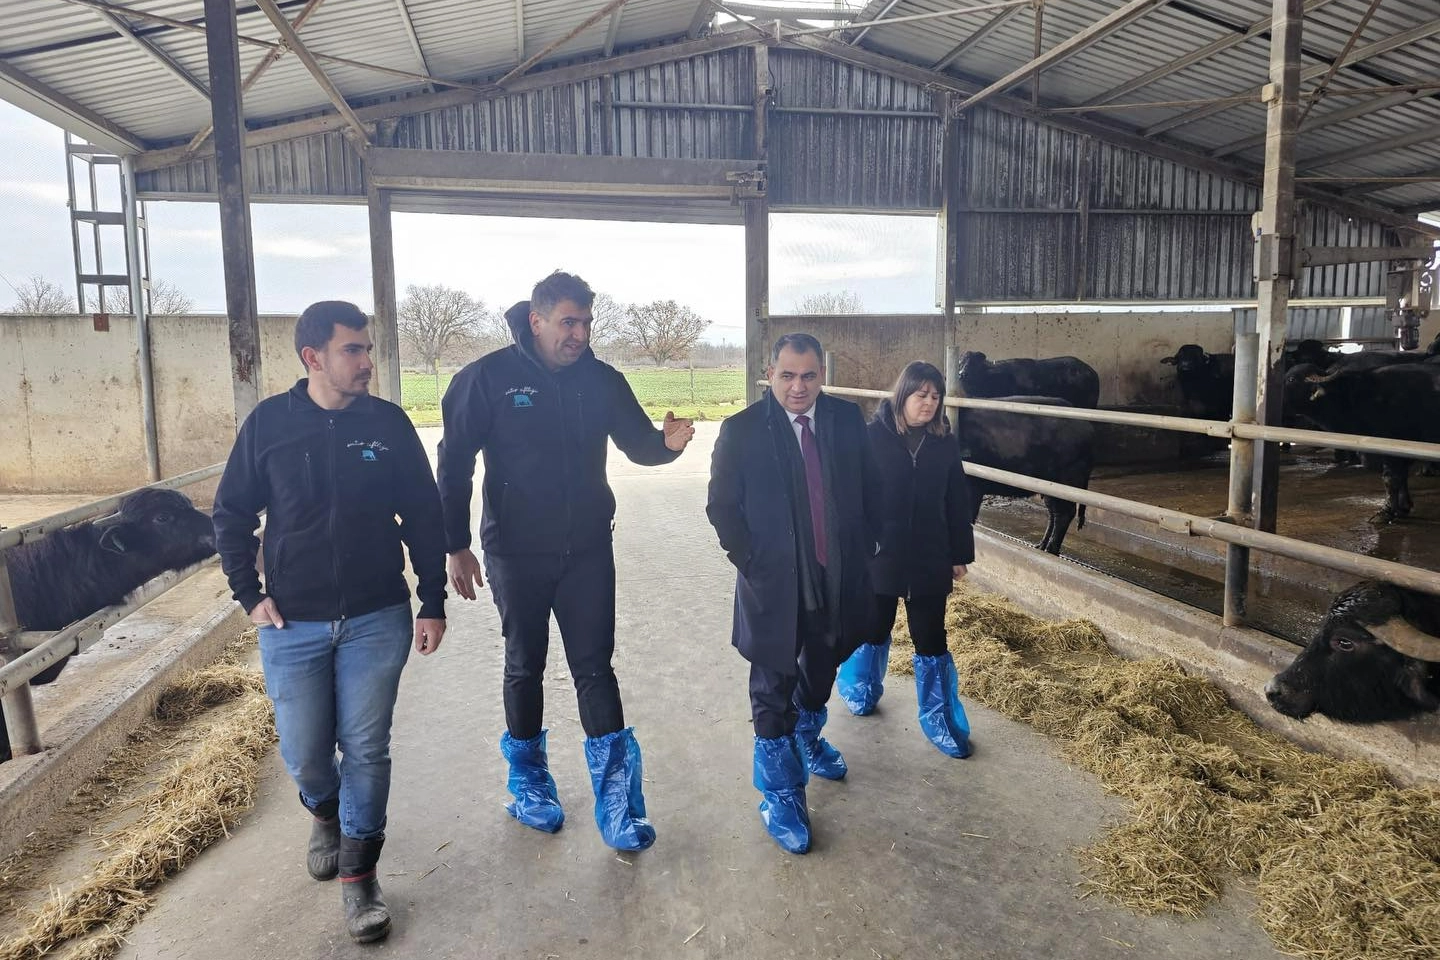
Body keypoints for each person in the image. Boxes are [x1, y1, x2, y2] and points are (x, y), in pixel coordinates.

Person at [211, 301, 448, 944]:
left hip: (377, 615)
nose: (367, 361)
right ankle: (324, 811)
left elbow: (424, 516)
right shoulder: (270, 424)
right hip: (293, 624)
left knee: (366, 746)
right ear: (313, 357)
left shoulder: (388, 424)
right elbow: (231, 514)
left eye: (368, 348)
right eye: (353, 350)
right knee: (305, 753)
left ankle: (359, 876)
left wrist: (431, 600)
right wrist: (248, 595)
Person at [436, 270, 694, 852]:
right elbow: (453, 465)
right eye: (567, 322)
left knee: (595, 667)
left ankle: (618, 804)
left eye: (586, 323)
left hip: (587, 550)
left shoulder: (602, 382)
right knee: (524, 664)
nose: (579, 334)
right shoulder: (486, 379)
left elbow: (639, 444)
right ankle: (529, 783)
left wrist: (668, 445)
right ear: (536, 320)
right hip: (515, 551)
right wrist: (455, 544)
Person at [706, 333, 881, 854]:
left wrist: (868, 546)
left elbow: (870, 485)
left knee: (824, 663)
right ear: (770, 374)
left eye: (808, 376)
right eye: (787, 375)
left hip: (836, 574)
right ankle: (782, 793)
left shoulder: (846, 420)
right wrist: (750, 562)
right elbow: (722, 506)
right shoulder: (741, 430)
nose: (798, 387)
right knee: (772, 682)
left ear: (821, 374)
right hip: (775, 579)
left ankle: (804, 738)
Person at [836, 361, 976, 758]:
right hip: (882, 554)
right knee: (873, 626)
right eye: (921, 395)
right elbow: (853, 497)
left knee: (931, 637)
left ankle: (938, 719)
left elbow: (956, 499)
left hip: (930, 555)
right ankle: (861, 688)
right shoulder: (871, 438)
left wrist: (959, 553)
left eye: (935, 396)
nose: (929, 403)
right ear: (903, 395)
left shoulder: (943, 443)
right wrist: (856, 548)